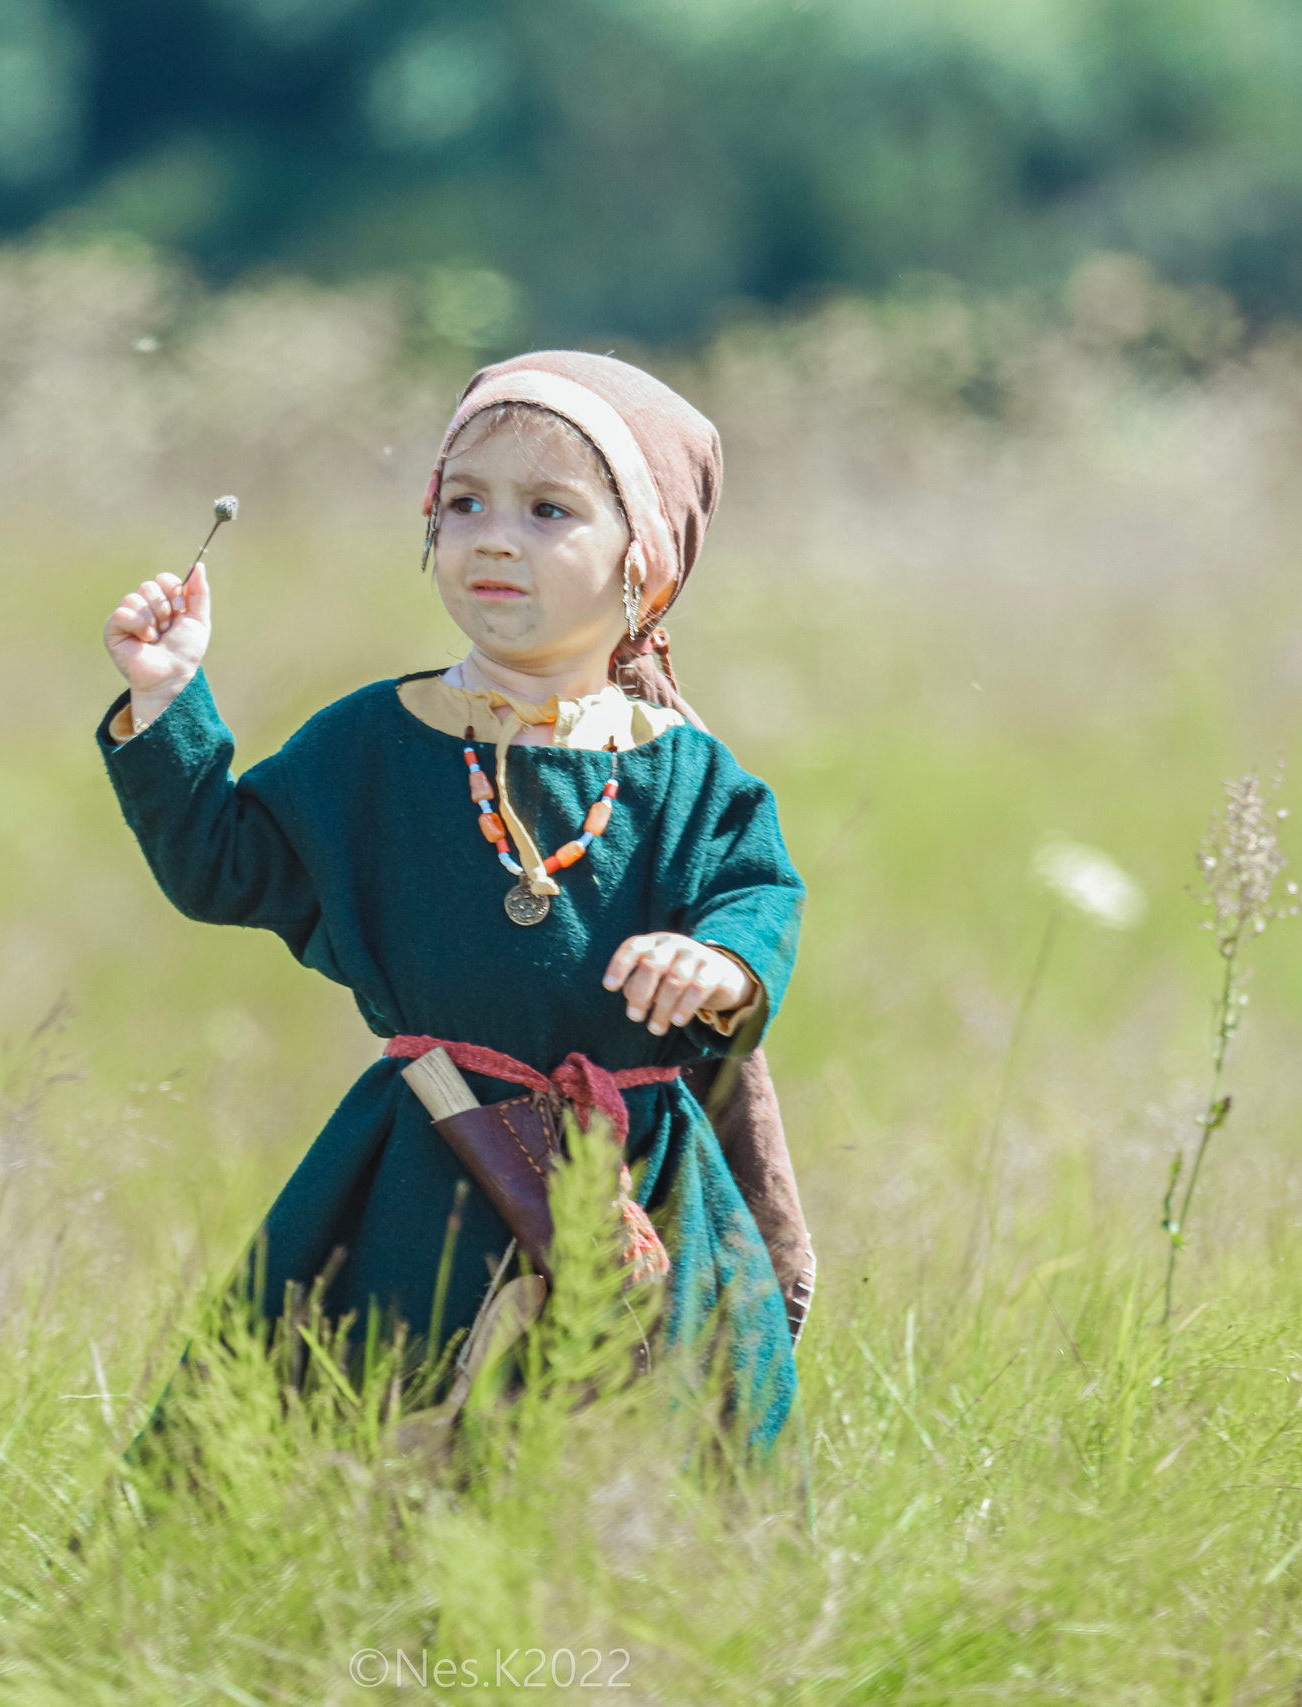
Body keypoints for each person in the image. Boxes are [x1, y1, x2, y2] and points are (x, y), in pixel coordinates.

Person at [99, 351, 810, 1446]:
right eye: (465, 502)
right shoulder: (376, 739)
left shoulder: (685, 770)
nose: (492, 536)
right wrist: (169, 701)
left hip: (639, 1171)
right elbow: (226, 866)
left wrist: (721, 964)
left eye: (548, 510)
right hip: (428, 1152)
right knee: (345, 1424)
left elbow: (755, 890)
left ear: (642, 562)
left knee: (652, 1457)